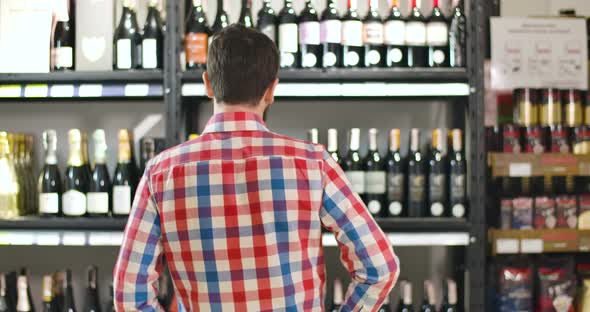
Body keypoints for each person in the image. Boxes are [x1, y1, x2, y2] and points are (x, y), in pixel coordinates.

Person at [113, 24, 399, 311]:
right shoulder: (313, 163)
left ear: (208, 84)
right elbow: (379, 268)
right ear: (272, 89)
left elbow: (129, 295)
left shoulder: (162, 172)